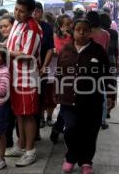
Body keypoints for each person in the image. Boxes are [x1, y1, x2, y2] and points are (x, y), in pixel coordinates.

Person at [56, 19, 113, 174]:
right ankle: (71, 156)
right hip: (68, 100)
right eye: (78, 30)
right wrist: (57, 93)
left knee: (89, 132)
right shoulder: (66, 50)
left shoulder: (98, 50)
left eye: (85, 30)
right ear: (73, 32)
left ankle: (86, 161)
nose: (81, 33)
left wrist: (111, 96)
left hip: (92, 101)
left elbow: (108, 74)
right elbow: (59, 73)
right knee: (70, 130)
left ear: (90, 32)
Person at [4, 0, 41, 167]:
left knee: (28, 115)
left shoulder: (32, 28)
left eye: (22, 11)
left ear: (31, 12)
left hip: (26, 78)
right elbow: (12, 46)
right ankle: (21, 145)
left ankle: (30, 150)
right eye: (16, 9)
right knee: (19, 112)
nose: (18, 13)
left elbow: (27, 56)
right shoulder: (18, 23)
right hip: (14, 76)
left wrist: (5, 52)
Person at [50, 14, 74, 144]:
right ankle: (58, 126)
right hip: (62, 74)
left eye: (71, 23)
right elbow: (60, 51)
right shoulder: (56, 37)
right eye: (67, 24)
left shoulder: (74, 36)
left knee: (70, 104)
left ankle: (59, 126)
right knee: (66, 104)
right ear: (60, 25)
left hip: (75, 73)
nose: (70, 25)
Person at [33, 2, 55, 134]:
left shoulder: (47, 27)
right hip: (27, 69)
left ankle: (41, 117)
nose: (35, 14)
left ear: (41, 12)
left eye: (38, 11)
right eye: (33, 11)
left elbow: (50, 49)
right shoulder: (25, 26)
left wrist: (44, 67)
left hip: (42, 67)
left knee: (41, 94)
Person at [0, 14, 16, 148]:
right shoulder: (4, 41)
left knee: (10, 113)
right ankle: (7, 140)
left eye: (6, 26)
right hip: (5, 81)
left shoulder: (12, 42)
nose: (3, 29)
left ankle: (10, 141)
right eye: (1, 27)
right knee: (6, 113)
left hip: (13, 81)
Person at [99, 13, 119, 119]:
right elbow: (116, 50)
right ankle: (107, 110)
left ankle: (101, 110)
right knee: (110, 87)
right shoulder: (114, 33)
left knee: (99, 86)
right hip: (111, 61)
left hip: (100, 62)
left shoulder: (96, 32)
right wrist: (117, 63)